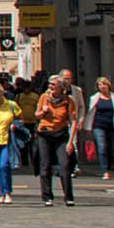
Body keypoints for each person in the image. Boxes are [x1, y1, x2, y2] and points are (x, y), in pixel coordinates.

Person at [34, 72, 78, 204]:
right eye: (50, 84)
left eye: (53, 84)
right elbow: (37, 115)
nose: (50, 86)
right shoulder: (44, 97)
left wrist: (71, 142)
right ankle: (47, 197)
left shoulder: (68, 101)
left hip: (61, 135)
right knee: (45, 165)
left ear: (60, 87)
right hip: (45, 134)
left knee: (64, 165)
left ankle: (68, 197)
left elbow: (73, 121)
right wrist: (43, 111)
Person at [0, 80, 21, 204]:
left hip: (8, 139)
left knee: (4, 166)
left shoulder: (11, 105)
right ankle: (2, 193)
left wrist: (15, 125)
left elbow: (20, 120)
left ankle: (7, 193)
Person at [87, 76, 114, 181]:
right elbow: (90, 113)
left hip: (113, 125)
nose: (102, 86)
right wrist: (89, 128)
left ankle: (108, 167)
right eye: (100, 85)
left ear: (108, 85)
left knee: (111, 150)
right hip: (98, 125)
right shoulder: (94, 98)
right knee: (102, 147)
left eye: (104, 84)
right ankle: (105, 170)